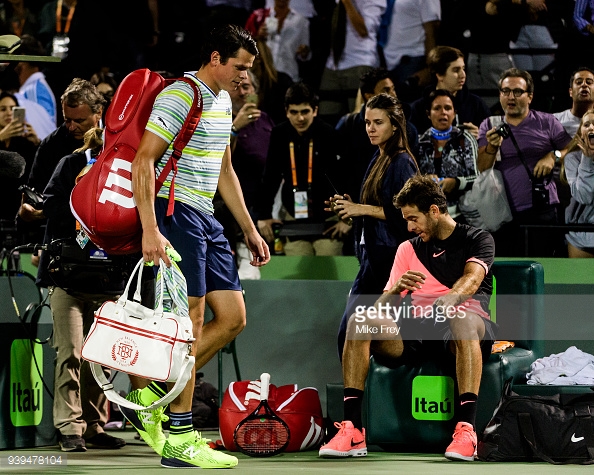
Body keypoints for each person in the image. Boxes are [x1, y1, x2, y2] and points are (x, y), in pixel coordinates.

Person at [122, 24, 269, 469]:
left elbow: (224, 170)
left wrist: (248, 228)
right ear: (214, 58)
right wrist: (149, 228)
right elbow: (142, 160)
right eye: (239, 67)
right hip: (174, 213)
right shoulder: (179, 95)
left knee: (233, 318)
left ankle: (149, 394)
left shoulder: (223, 100)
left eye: (249, 69)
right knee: (190, 320)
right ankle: (180, 436)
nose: (244, 77)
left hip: (207, 216)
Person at [320, 174, 496, 462]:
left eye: (413, 218)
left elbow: (472, 278)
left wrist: (449, 300)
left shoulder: (477, 238)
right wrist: (398, 288)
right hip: (417, 331)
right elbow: (379, 309)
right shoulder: (408, 248)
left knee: (461, 318)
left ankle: (466, 431)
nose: (409, 226)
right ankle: (353, 430)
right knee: (359, 320)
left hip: (464, 326)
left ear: (435, 211)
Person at [39, 127, 127, 452]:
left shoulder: (130, 171)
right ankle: (69, 428)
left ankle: (93, 426)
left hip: (107, 280)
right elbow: (50, 205)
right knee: (71, 353)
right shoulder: (70, 164)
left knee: (101, 358)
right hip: (67, 277)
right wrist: (87, 213)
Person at [333, 93, 418, 355]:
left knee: (353, 334)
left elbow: (408, 213)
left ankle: (361, 393)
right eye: (367, 122)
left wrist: (361, 208)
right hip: (373, 259)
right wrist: (352, 209)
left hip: (388, 262)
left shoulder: (402, 161)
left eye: (378, 122)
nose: (370, 128)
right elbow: (376, 208)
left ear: (394, 125)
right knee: (352, 334)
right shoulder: (379, 156)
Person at [477, 67, 572, 257]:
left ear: (530, 96)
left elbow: (571, 148)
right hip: (503, 212)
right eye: (506, 91)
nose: (511, 97)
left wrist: (553, 155)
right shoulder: (489, 124)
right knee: (509, 270)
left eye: (518, 91)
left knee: (543, 265)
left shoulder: (547, 121)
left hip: (541, 208)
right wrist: (492, 147)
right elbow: (483, 167)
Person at [255, 81, 346, 256]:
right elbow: (270, 176)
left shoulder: (329, 134)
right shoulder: (279, 134)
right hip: (293, 215)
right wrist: (263, 215)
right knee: (298, 263)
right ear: (286, 111)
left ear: (315, 111)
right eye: (294, 112)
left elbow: (344, 177)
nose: (300, 118)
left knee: (328, 256)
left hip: (327, 216)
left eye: (305, 112)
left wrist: (347, 220)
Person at [18, 78, 104, 256]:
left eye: (79, 120)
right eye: (67, 120)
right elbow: (33, 197)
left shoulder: (119, 140)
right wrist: (27, 211)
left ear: (99, 113)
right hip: (62, 243)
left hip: (110, 241)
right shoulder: (51, 146)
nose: (72, 127)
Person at [218, 69, 275, 279]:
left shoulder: (267, 122)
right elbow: (220, 162)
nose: (241, 92)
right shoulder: (221, 120)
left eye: (246, 87)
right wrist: (234, 128)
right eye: (236, 87)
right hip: (230, 208)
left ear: (255, 92)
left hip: (263, 204)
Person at [336, 67, 418, 202]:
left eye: (393, 89)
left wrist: (361, 210)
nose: (393, 95)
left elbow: (403, 210)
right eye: (386, 90)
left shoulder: (403, 156)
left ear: (395, 127)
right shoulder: (349, 127)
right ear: (368, 96)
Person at [317, 0, 386, 127]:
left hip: (360, 63)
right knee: (326, 120)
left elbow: (364, 30)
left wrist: (347, 2)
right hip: (333, 65)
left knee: (359, 121)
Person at [417, 89, 478, 220]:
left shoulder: (465, 139)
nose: (443, 112)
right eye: (437, 108)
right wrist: (423, 180)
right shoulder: (419, 142)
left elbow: (478, 178)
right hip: (427, 217)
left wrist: (456, 183)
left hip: (461, 217)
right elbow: (408, 179)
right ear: (429, 114)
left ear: (454, 113)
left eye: (448, 108)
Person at [409, 46, 491, 140]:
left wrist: (480, 136)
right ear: (439, 75)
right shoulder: (418, 109)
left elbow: (492, 144)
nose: (463, 75)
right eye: (456, 70)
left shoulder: (476, 105)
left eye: (463, 69)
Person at [553, 67, 594, 212]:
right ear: (571, 91)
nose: (584, 85)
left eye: (589, 82)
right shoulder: (554, 121)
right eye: (579, 82)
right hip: (561, 181)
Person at [381, 0, 441, 96]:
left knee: (410, 108)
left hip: (413, 61)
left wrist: (430, 69)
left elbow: (432, 30)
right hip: (387, 63)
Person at [245, 0, 311, 83]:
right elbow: (244, 46)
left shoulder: (301, 22)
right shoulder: (261, 16)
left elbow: (305, 53)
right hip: (264, 75)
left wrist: (304, 52)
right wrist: (258, 36)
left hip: (288, 74)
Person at [0, 92, 39, 228]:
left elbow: (35, 175)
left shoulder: (25, 143)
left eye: (13, 108)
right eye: (3, 109)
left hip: (17, 210)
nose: (9, 113)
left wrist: (37, 143)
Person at [562, 108, 594, 258]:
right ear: (581, 131)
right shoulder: (572, 159)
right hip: (582, 235)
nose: (591, 128)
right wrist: (587, 160)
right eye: (586, 124)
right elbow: (584, 196)